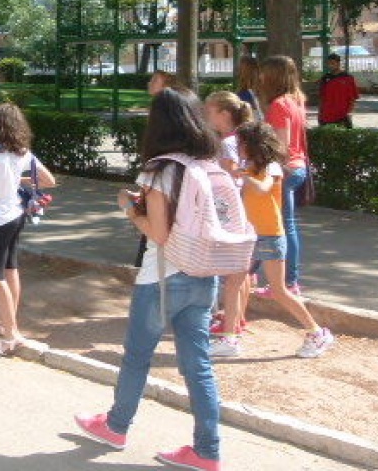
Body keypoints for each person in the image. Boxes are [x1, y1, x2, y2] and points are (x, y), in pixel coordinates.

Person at [73, 87, 225, 471]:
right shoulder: (207, 163)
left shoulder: (159, 169)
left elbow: (158, 233)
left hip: (163, 276)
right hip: (204, 275)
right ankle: (207, 451)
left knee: (137, 356)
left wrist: (128, 207)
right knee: (198, 365)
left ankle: (115, 426)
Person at [215, 121, 335, 360]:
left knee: (279, 290)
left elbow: (262, 188)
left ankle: (317, 333)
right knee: (232, 284)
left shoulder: (272, 167)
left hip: (270, 234)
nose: (237, 148)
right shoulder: (249, 166)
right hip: (250, 235)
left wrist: (243, 175)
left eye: (241, 144)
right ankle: (229, 337)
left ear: (253, 145)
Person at [0, 103, 57, 356]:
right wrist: (16, 179)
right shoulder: (23, 152)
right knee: (11, 269)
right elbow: (49, 180)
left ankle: (10, 335)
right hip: (18, 214)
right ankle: (9, 325)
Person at [256, 55, 310, 298]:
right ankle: (288, 281)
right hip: (298, 167)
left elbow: (282, 145)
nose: (261, 78)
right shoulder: (297, 101)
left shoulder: (279, 105)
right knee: (286, 225)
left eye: (265, 73)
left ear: (274, 76)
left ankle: (287, 282)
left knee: (281, 226)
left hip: (285, 170)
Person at [203, 91, 254, 340]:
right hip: (240, 210)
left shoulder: (227, 143)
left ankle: (230, 324)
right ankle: (238, 318)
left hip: (229, 212)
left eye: (209, 111)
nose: (206, 116)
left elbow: (231, 176)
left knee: (233, 272)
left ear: (224, 114)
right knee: (241, 272)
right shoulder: (237, 139)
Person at [318, 53, 359, 128]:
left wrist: (349, 113)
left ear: (338, 63)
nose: (330, 65)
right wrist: (320, 114)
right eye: (329, 63)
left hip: (343, 116)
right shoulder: (325, 78)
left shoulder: (348, 78)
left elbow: (352, 98)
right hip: (327, 116)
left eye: (333, 63)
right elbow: (322, 98)